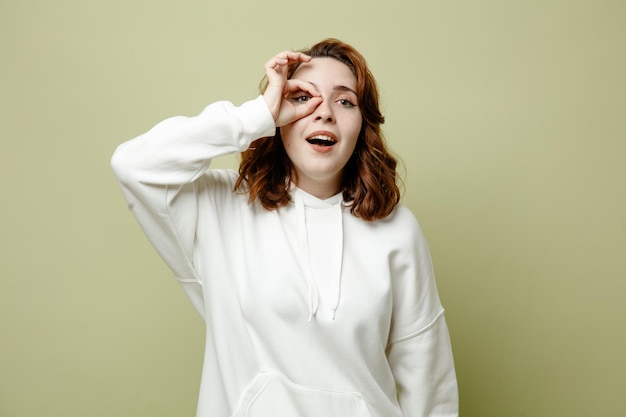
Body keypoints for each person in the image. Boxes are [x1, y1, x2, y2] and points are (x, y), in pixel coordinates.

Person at [111, 38, 458, 417]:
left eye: (345, 101)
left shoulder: (397, 230)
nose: (324, 112)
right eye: (303, 98)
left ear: (363, 126)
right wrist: (256, 116)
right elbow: (134, 165)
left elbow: (427, 376)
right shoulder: (221, 207)